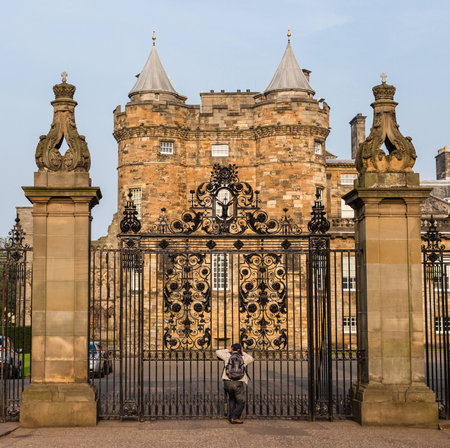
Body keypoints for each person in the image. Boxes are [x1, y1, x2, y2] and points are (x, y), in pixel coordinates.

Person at [216, 343, 254, 424]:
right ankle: (234, 417)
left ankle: (231, 417)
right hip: (238, 382)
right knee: (241, 401)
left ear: (232, 349)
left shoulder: (227, 357)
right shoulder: (243, 358)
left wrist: (228, 350)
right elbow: (251, 358)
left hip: (227, 381)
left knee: (232, 399)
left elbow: (218, 352)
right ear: (240, 350)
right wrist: (242, 352)